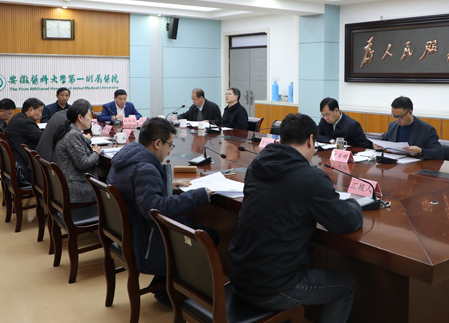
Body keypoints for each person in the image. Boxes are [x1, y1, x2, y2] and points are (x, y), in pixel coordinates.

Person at [229, 113, 363, 323]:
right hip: (274, 287)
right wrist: (354, 203)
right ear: (310, 140)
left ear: (281, 138)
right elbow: (346, 222)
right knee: (346, 286)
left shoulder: (256, 165)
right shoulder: (310, 178)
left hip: (239, 275)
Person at [106, 117, 213, 305]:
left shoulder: (127, 157)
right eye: (169, 144)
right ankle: (174, 290)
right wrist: (199, 195)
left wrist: (169, 183)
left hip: (130, 233)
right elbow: (155, 209)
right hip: (145, 242)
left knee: (190, 224)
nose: (169, 150)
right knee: (209, 236)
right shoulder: (145, 168)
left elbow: (138, 189)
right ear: (157, 143)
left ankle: (164, 285)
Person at [52, 101, 101, 203]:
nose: (91, 119)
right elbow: (83, 164)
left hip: (70, 180)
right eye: (89, 116)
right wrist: (96, 153)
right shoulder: (73, 135)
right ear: (80, 117)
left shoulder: (70, 128)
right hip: (76, 188)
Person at [378, 96, 443, 160]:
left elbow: (439, 153)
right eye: (394, 116)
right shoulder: (393, 126)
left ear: (410, 112)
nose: (396, 119)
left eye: (400, 117)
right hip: (394, 164)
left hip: (416, 165)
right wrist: (377, 146)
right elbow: (383, 141)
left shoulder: (427, 129)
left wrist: (421, 151)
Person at [4, 97, 45, 183]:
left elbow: (36, 132)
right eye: (40, 111)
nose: (41, 114)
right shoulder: (25, 122)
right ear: (31, 110)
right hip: (24, 164)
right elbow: (41, 137)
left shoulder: (19, 117)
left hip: (17, 157)